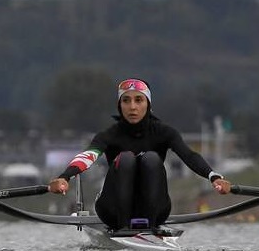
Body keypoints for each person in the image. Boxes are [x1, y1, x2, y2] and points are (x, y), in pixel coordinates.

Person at [48, 77, 231, 231]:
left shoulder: (165, 133)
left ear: (148, 104)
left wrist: (214, 177)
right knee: (126, 158)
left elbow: (189, 156)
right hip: (112, 210)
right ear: (120, 105)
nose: (132, 107)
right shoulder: (108, 135)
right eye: (126, 101)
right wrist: (65, 177)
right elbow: (88, 155)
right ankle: (124, 226)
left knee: (151, 158)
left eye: (138, 100)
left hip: (156, 210)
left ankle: (148, 227)